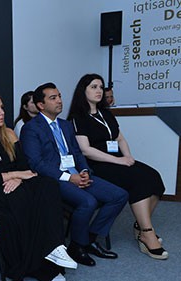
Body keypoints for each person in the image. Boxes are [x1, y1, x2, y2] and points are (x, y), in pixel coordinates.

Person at [0, 91, 76, 281]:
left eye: (2, 108)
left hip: (14, 182)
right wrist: (16, 175)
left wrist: (18, 178)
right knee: (21, 199)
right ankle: (36, 265)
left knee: (48, 185)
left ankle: (55, 248)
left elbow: (25, 166)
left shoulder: (9, 133)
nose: (1, 112)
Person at [21, 82, 128, 266]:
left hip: (77, 174)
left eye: (59, 96)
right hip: (55, 179)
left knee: (119, 195)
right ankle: (77, 246)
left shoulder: (66, 125)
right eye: (53, 98)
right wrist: (70, 178)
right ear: (41, 105)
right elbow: (36, 163)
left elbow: (77, 153)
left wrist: (84, 171)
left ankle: (89, 238)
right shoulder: (31, 128)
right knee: (88, 202)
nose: (59, 101)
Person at [68, 74, 166, 259]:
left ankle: (139, 225)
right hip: (98, 165)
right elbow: (86, 150)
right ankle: (147, 232)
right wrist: (119, 161)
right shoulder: (77, 118)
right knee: (137, 182)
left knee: (154, 177)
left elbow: (120, 139)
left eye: (101, 87)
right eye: (94, 87)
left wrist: (127, 156)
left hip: (118, 160)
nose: (99, 91)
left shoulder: (106, 114)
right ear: (83, 91)